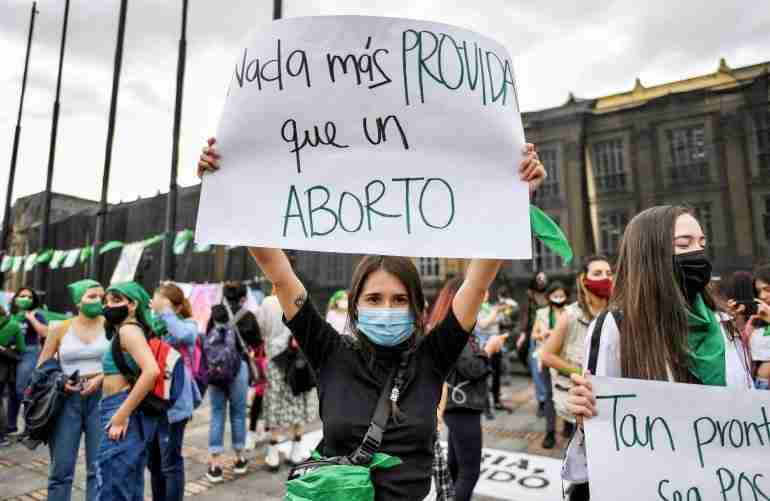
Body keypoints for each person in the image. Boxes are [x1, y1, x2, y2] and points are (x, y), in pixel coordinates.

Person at [197, 136, 545, 500]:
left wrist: (514, 199)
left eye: (399, 300)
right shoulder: (329, 351)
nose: (387, 308)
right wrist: (227, 189)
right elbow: (280, 273)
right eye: (375, 298)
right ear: (355, 306)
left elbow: (475, 283)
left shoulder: (433, 357)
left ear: (417, 308)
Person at [568, 206, 754, 501]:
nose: (698, 253)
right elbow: (602, 427)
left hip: (720, 482)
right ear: (650, 255)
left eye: (701, 243)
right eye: (683, 245)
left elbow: (745, 401)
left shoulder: (724, 324)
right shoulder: (616, 326)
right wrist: (586, 415)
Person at [432, 277, 506, 501]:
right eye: (477, 294)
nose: (482, 300)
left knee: (455, 467)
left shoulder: (455, 324)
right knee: (469, 472)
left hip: (457, 406)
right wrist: (489, 350)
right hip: (462, 406)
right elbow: (472, 367)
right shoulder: (457, 328)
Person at [35, 280, 108, 501]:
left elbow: (124, 362)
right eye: (92, 296)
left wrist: (101, 378)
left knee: (98, 469)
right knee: (61, 469)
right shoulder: (59, 327)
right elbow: (42, 367)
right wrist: (61, 379)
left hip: (102, 398)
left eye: (101, 297)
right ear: (78, 301)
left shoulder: (111, 325)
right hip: (67, 399)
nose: (98, 301)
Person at [540, 257, 612, 449]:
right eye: (597, 273)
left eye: (608, 273)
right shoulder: (570, 315)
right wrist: (578, 371)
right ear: (583, 280)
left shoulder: (619, 313)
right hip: (580, 405)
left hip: (610, 403)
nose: (605, 278)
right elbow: (546, 355)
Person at [98, 282, 161, 501]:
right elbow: (125, 367)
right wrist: (99, 379)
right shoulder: (128, 330)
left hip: (120, 408)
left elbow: (151, 371)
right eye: (106, 301)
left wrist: (120, 416)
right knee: (127, 484)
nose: (108, 305)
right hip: (121, 406)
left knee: (113, 487)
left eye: (116, 300)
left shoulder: (128, 330)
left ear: (133, 305)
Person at [148, 282, 202, 501]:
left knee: (170, 463)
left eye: (166, 304)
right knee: (153, 462)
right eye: (156, 302)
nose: (159, 309)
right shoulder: (154, 325)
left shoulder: (188, 324)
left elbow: (184, 337)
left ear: (177, 308)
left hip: (175, 404)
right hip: (151, 401)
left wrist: (165, 313)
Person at [257, 292, 318, 471]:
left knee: (275, 403)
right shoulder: (302, 298)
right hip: (298, 362)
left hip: (275, 361)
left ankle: (273, 456)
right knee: (299, 402)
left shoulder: (268, 302)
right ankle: (296, 453)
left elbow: (261, 329)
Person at [204, 302, 251, 483]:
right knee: (238, 415)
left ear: (213, 317)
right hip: (237, 373)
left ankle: (216, 465)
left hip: (216, 377)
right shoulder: (238, 326)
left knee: (217, 415)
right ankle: (239, 459)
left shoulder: (209, 334)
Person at [530, 281, 569, 448]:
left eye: (561, 296)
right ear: (549, 297)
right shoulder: (542, 313)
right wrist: (543, 334)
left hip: (566, 359)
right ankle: (550, 432)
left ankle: (569, 424)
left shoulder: (571, 312)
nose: (559, 299)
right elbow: (534, 335)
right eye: (555, 296)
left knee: (568, 393)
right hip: (546, 357)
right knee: (549, 396)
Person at [7, 287, 49, 437]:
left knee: (22, 389)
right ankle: (10, 425)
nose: (25, 299)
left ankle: (29, 426)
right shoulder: (9, 314)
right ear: (16, 297)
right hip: (9, 353)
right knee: (11, 390)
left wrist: (31, 318)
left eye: (29, 297)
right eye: (22, 296)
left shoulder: (36, 314)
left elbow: (45, 333)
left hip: (29, 353)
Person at [516, 272, 549, 416]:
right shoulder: (530, 296)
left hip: (551, 334)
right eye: (539, 278)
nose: (541, 281)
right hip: (535, 336)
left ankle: (552, 400)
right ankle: (542, 400)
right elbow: (525, 316)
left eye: (544, 278)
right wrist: (523, 334)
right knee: (536, 369)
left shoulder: (552, 294)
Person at [0, 306, 23, 447]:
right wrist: (7, 348)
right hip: (3, 369)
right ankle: (1, 437)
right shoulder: (14, 325)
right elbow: (22, 348)